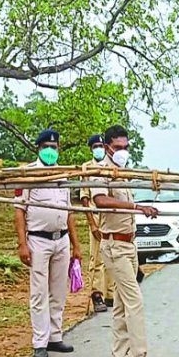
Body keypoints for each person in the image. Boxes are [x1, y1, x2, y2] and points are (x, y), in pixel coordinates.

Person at [92, 125, 166, 357]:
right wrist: (136, 207)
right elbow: (100, 201)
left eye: (126, 147)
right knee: (135, 302)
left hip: (128, 244)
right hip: (114, 246)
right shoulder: (100, 169)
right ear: (107, 146)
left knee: (123, 305)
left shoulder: (121, 172)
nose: (123, 152)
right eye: (118, 147)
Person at [14, 129, 82, 357]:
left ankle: (55, 336)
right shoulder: (28, 175)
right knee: (39, 292)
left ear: (58, 149)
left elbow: (69, 212)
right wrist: (22, 244)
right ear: (38, 149)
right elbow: (19, 211)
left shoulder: (62, 176)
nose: (50, 151)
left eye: (54, 147)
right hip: (38, 240)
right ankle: (40, 341)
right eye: (46, 147)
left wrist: (76, 245)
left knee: (58, 291)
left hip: (61, 239)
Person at [80, 134, 113, 313]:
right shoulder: (87, 168)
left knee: (112, 255)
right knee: (97, 258)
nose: (99, 149)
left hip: (112, 218)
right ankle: (97, 294)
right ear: (91, 149)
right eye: (95, 146)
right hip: (96, 216)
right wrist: (92, 224)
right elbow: (84, 197)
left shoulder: (112, 166)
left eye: (101, 145)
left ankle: (110, 294)